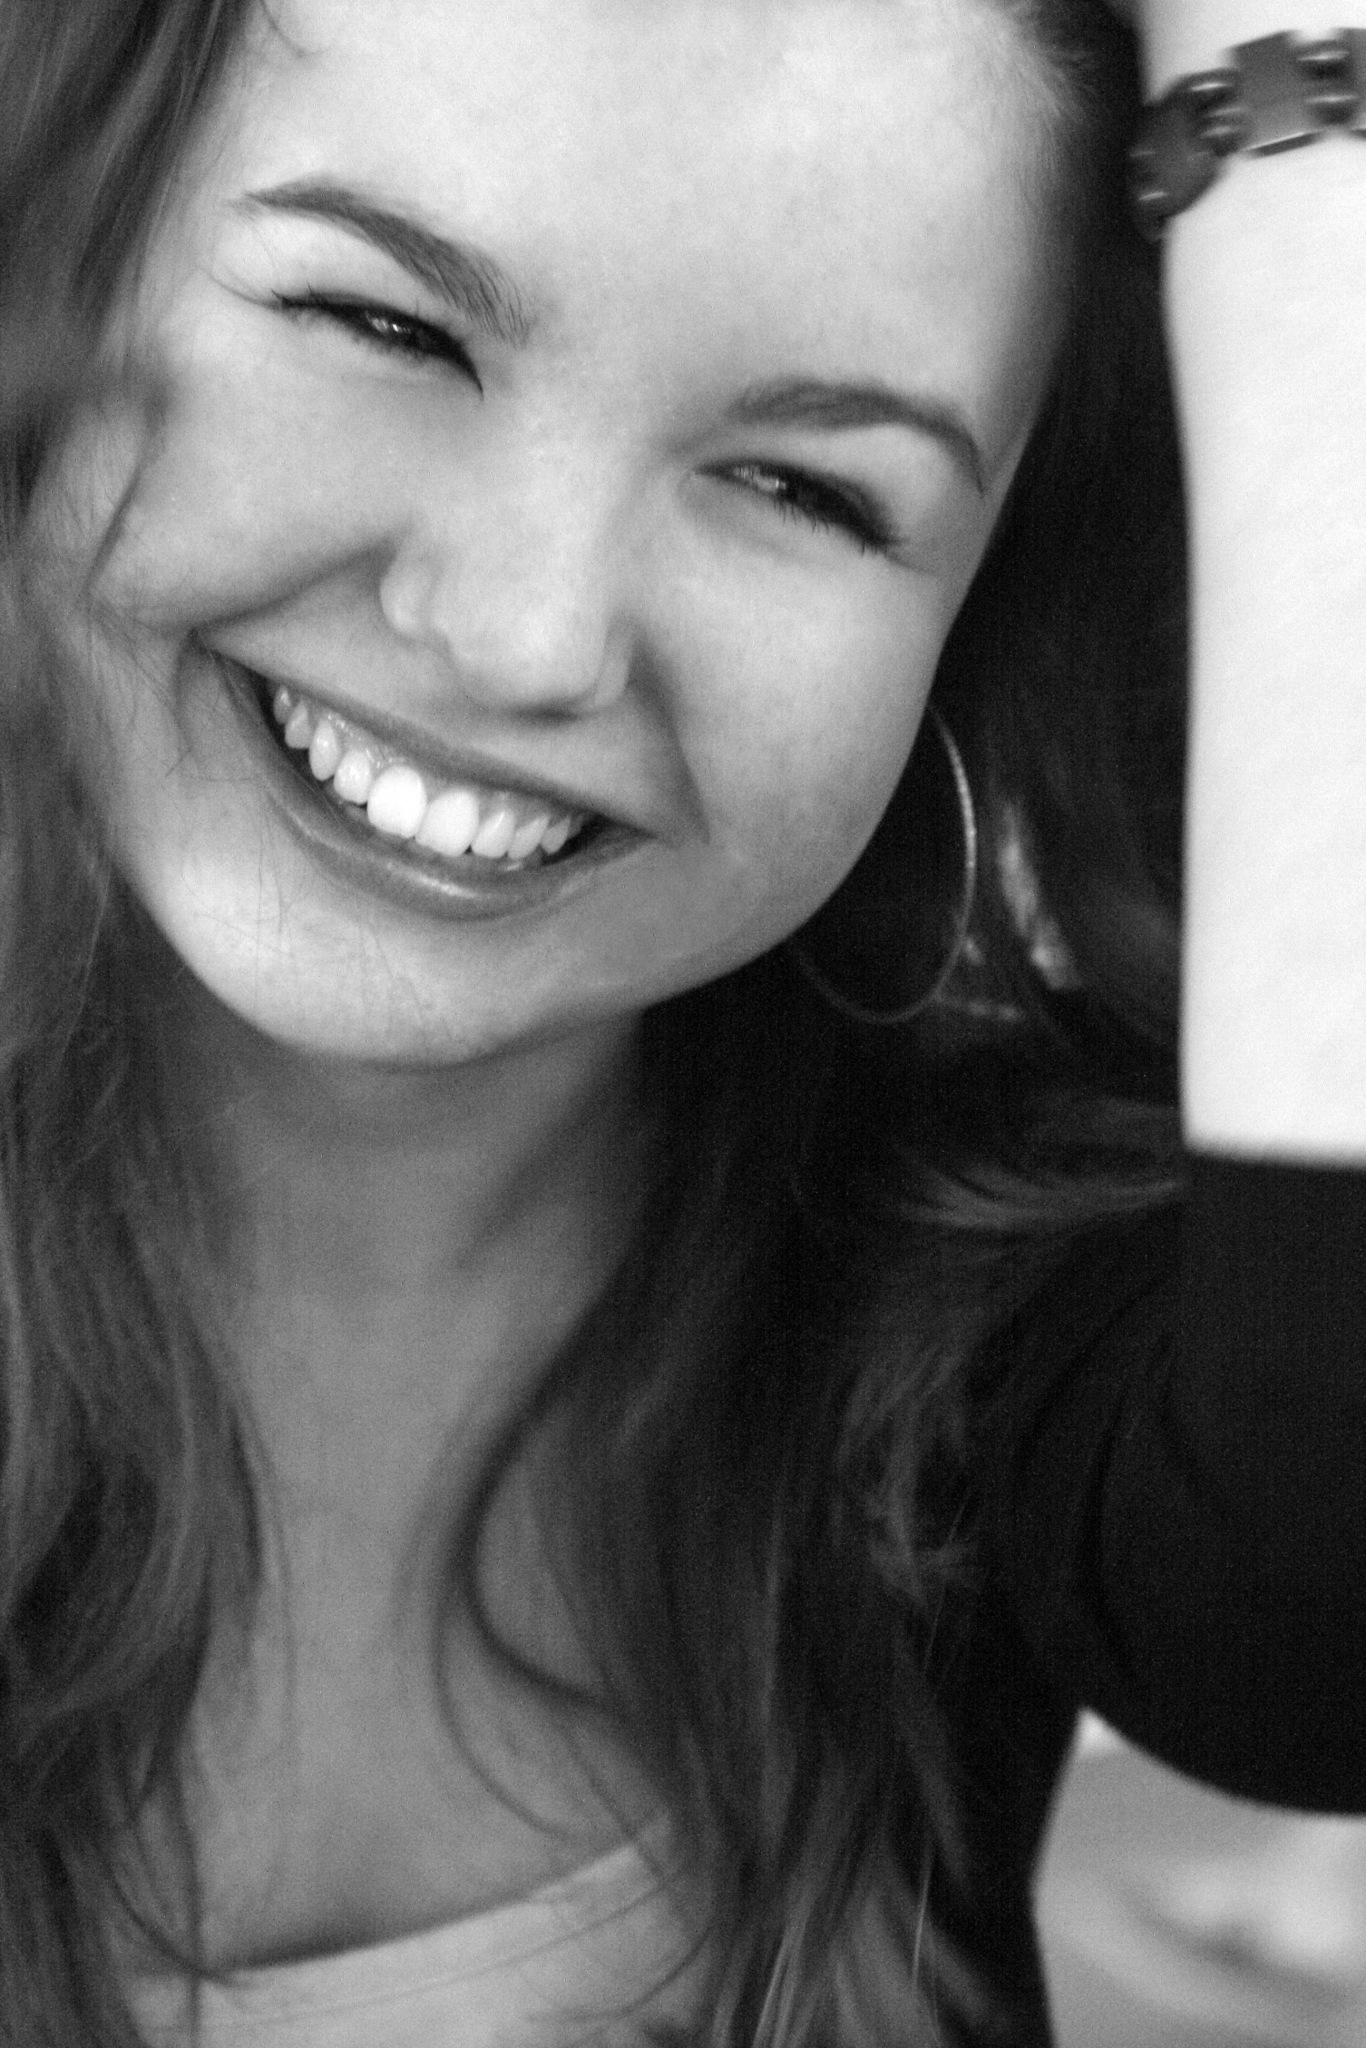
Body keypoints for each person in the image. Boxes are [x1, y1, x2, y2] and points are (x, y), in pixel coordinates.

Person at [0, 0, 1362, 2043]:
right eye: (383, 326)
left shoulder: (950, 1280)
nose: (529, 636)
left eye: (804, 489)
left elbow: (1320, 1592)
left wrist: (1287, 107)